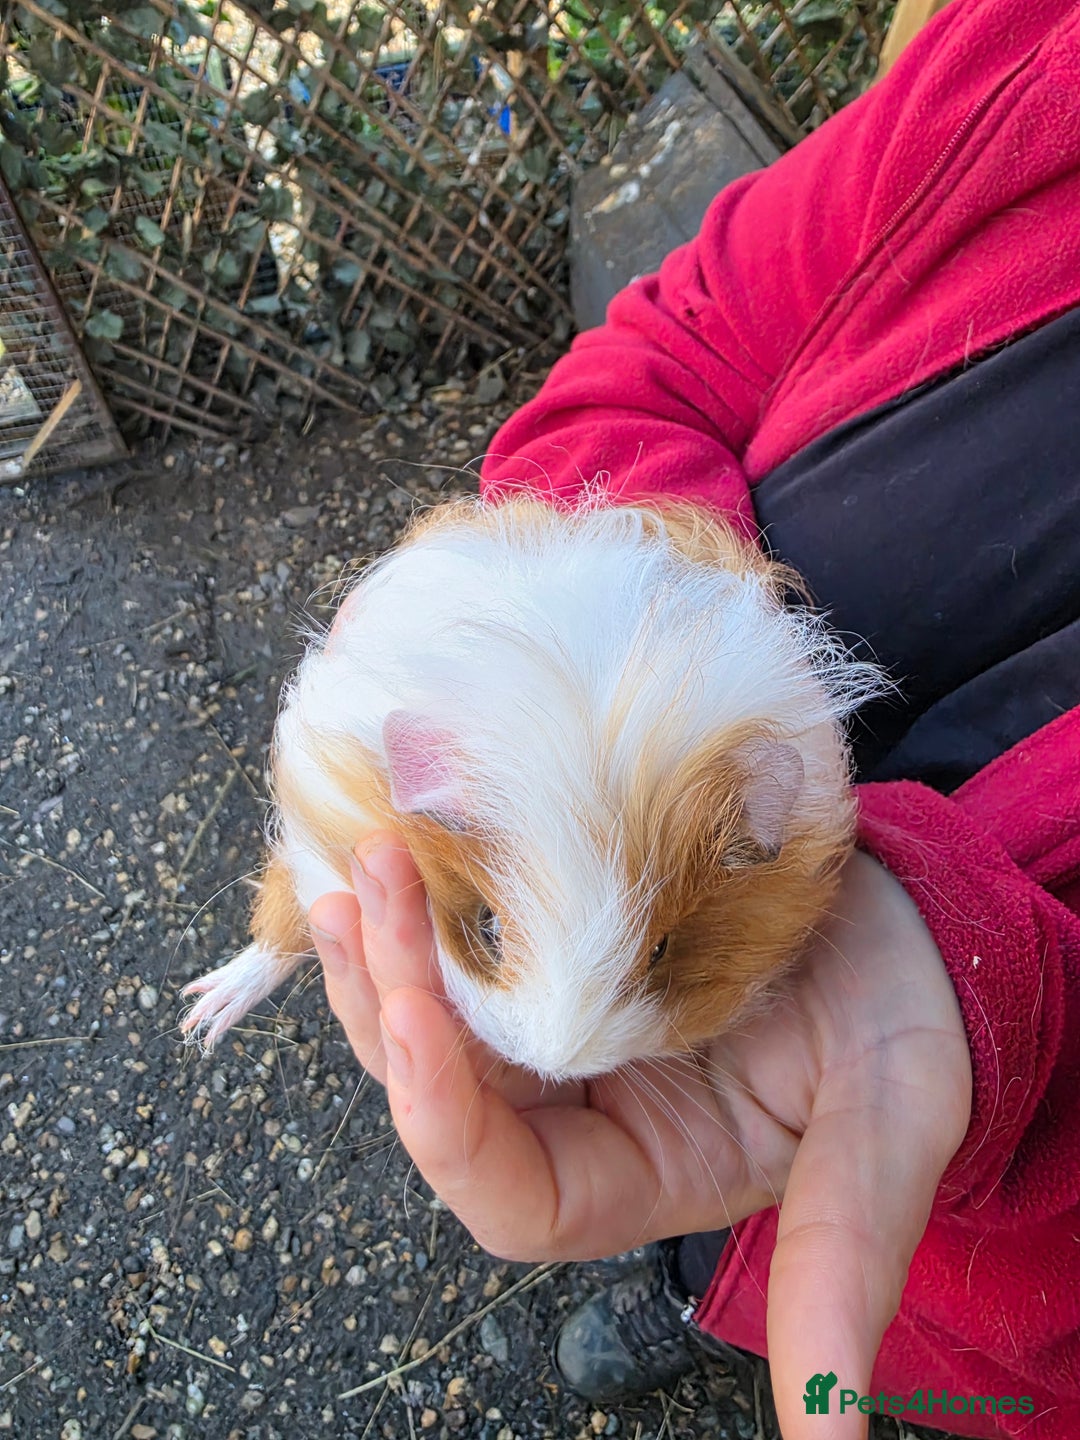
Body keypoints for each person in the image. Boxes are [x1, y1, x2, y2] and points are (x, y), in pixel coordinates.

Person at [309, 1, 1080, 1435]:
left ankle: (722, 1297)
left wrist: (997, 1012)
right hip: (720, 1086)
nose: (561, 1045)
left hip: (976, 1267)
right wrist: (584, 588)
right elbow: (680, 338)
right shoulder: (1031, 57)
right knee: (635, 1150)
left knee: (821, 1320)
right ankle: (690, 1285)